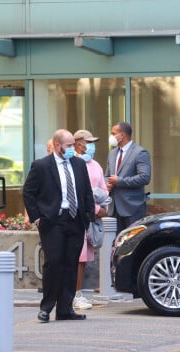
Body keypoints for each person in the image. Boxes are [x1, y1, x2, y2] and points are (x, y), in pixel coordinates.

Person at [23, 129, 95, 323]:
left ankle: (65, 309)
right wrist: (36, 217)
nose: (73, 148)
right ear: (57, 145)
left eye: (73, 145)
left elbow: (87, 193)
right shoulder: (41, 166)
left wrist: (87, 218)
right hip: (53, 221)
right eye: (69, 145)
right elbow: (28, 192)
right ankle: (46, 308)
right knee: (54, 263)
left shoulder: (79, 164)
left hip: (75, 220)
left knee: (71, 264)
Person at [72, 129, 108, 310]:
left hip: (92, 219)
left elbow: (103, 189)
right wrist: (93, 209)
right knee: (77, 258)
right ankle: (73, 294)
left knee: (84, 259)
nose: (91, 145)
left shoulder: (96, 165)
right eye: (88, 142)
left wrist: (103, 208)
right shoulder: (71, 164)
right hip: (77, 217)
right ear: (78, 143)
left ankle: (77, 294)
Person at [105, 121, 151, 234]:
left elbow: (145, 177)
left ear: (122, 135)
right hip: (114, 208)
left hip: (133, 208)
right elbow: (107, 175)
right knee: (116, 244)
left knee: (132, 243)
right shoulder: (112, 153)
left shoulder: (140, 152)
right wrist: (107, 183)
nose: (111, 136)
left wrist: (119, 181)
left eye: (113, 133)